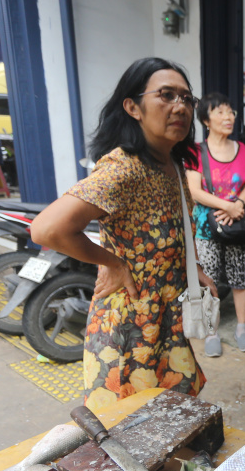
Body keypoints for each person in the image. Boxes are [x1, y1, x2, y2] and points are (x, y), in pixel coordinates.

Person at [31, 57, 216, 410]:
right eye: (166, 95)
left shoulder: (172, 165)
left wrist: (193, 267)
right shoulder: (124, 168)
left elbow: (180, 227)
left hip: (166, 320)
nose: (180, 107)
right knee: (128, 423)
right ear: (133, 107)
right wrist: (113, 263)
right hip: (128, 328)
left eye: (186, 98)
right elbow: (47, 229)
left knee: (170, 417)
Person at [186, 92, 245, 355]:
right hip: (207, 228)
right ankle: (211, 332)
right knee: (210, 280)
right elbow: (195, 191)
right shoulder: (196, 152)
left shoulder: (243, 151)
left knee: (240, 277)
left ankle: (241, 329)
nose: (228, 117)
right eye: (220, 112)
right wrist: (226, 206)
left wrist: (238, 204)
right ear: (206, 120)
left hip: (237, 225)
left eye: (230, 112)